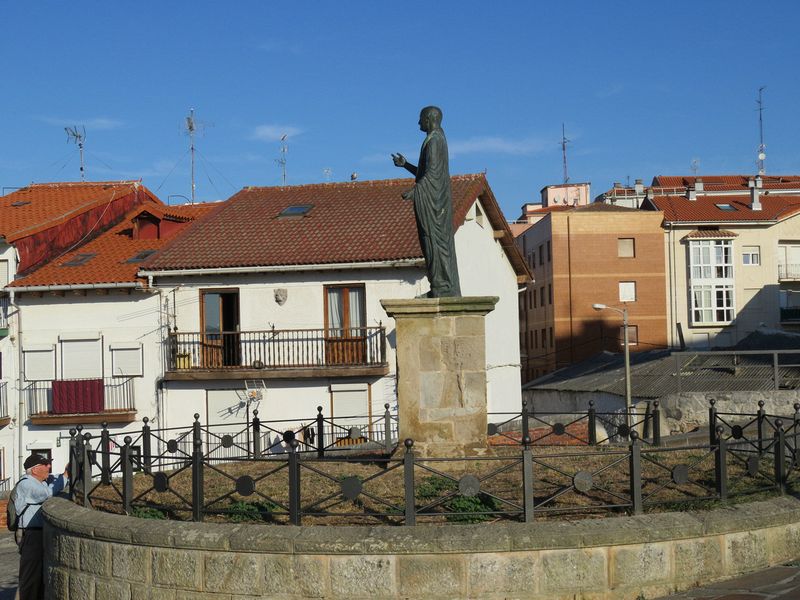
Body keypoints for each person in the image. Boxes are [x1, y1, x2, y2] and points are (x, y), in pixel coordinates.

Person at [392, 106, 462, 298]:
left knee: (434, 241)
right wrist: (405, 165)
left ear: (430, 118)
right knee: (432, 242)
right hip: (434, 199)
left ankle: (442, 287)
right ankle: (440, 284)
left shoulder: (435, 140)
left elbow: (432, 175)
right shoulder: (435, 139)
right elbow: (426, 173)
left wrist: (414, 192)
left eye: (420, 118)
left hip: (434, 203)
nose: (418, 122)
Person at [15, 454, 68, 600]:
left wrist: (65, 475)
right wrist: (65, 475)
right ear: (35, 470)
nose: (49, 467)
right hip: (31, 534)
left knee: (39, 575)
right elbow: (47, 494)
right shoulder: (27, 484)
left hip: (37, 532)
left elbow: (52, 482)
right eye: (45, 464)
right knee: (30, 575)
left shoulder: (39, 482)